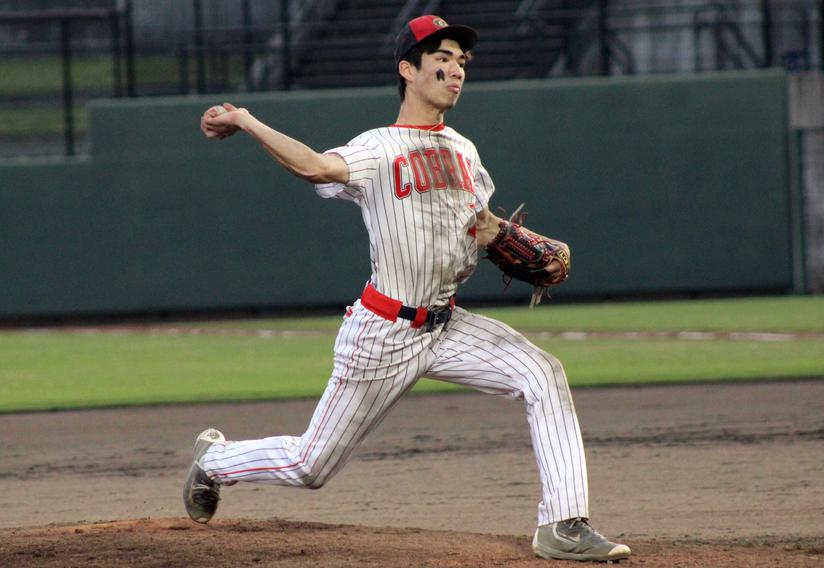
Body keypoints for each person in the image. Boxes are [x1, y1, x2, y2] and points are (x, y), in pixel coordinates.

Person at [185, 14, 631, 563]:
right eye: (440, 58)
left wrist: (505, 238)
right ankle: (215, 461)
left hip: (447, 324)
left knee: (543, 373)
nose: (455, 69)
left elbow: (484, 227)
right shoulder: (379, 147)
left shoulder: (464, 151)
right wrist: (248, 121)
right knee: (310, 466)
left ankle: (563, 525)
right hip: (384, 332)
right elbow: (315, 168)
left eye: (461, 61)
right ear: (408, 69)